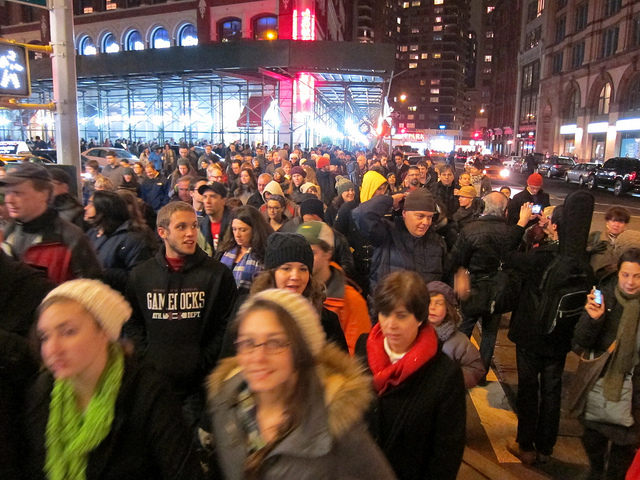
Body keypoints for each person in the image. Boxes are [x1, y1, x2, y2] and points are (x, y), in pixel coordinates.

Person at [206, 289, 397, 480]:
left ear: (302, 352)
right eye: (248, 342)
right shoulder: (227, 402)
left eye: (274, 343)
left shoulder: (334, 424)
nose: (258, 357)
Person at [25, 279, 203, 479]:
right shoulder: (42, 394)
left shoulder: (147, 394)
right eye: (45, 337)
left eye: (68, 332)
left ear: (104, 332)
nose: (52, 349)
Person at [124, 202, 238, 430]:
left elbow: (225, 324)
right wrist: (148, 355)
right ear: (163, 232)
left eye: (194, 226)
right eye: (182, 227)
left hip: (201, 386)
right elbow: (132, 320)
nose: (190, 233)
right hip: (156, 381)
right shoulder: (141, 276)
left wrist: (203, 359)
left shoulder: (217, 275)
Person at [356, 270, 466, 480]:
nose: (390, 325)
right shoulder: (364, 349)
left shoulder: (444, 375)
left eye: (402, 315)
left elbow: (446, 453)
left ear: (420, 317)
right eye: (385, 313)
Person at [573, 248, 640, 480]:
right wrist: (593, 319)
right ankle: (596, 470)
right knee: (592, 439)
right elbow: (578, 343)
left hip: (635, 395)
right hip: (601, 387)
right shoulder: (605, 296)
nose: (630, 282)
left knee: (624, 453)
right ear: (618, 273)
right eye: (625, 275)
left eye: (637, 276)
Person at [449, 191, 515, 383]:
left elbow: (457, 259)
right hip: (497, 289)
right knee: (489, 334)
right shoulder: (511, 232)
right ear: (504, 210)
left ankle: (457, 369)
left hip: (473, 286)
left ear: (484, 206)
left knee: (465, 328)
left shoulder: (471, 229)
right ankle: (481, 373)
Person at [1, 163, 102, 284]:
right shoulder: (8, 233)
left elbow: (92, 289)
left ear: (44, 194)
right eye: (7, 193)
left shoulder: (69, 237)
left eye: (17, 193)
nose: (9, 200)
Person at [250, 232, 348, 351]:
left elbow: (341, 366)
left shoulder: (326, 320)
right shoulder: (250, 313)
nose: (295, 276)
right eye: (286, 268)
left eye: (303, 269)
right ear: (272, 273)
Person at [296, 221, 370, 355]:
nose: (304, 258)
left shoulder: (351, 300)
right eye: (300, 251)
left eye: (312, 252)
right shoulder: (293, 291)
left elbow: (356, 358)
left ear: (328, 253)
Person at [354, 187, 446, 291]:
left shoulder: (436, 242)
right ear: (404, 214)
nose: (426, 222)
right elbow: (361, 214)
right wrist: (390, 200)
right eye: (420, 216)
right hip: (388, 306)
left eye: (429, 217)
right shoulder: (386, 233)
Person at [84, 190, 154, 292]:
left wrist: (103, 273)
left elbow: (139, 278)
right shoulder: (92, 233)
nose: (86, 208)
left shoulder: (131, 239)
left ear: (103, 209)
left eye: (91, 204)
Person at [426, 281, 484, 388]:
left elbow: (476, 369)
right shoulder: (411, 333)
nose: (432, 307)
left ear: (448, 309)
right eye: (428, 302)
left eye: (439, 303)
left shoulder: (458, 341)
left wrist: (450, 378)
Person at [217, 206, 273, 295]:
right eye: (234, 229)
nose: (237, 235)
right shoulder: (225, 251)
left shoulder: (264, 254)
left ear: (255, 230)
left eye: (243, 230)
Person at [588, 206, 631, 279]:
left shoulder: (629, 241)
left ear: (625, 224)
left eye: (621, 222)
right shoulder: (595, 237)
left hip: (617, 282)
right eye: (613, 221)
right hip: (595, 280)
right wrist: (589, 250)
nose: (616, 225)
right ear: (607, 222)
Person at [198, 182, 233, 256]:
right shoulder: (203, 225)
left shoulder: (234, 222)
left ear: (223, 200)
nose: (207, 201)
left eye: (213, 196)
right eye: (205, 197)